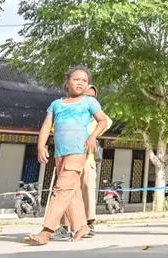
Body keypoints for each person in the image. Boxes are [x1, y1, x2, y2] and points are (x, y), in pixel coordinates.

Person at [27, 67, 108, 246]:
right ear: (67, 82)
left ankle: (47, 231)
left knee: (61, 189)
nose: (80, 82)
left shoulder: (89, 102)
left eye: (84, 81)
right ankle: (81, 226)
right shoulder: (56, 104)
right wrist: (41, 145)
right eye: (76, 79)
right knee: (72, 191)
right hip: (60, 153)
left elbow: (103, 120)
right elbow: (47, 126)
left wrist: (93, 136)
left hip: (78, 151)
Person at [53, 85, 113, 240]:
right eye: (87, 96)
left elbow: (106, 122)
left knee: (87, 190)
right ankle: (64, 226)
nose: (90, 99)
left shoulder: (94, 116)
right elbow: (55, 128)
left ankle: (88, 224)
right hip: (68, 157)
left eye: (93, 97)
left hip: (87, 159)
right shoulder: (66, 110)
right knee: (66, 191)